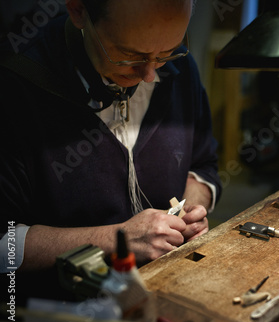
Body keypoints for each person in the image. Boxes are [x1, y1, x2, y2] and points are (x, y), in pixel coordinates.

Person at [0, 0, 221, 304]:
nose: (149, 74)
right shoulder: (16, 88)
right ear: (79, 11)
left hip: (160, 295)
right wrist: (116, 239)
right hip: (59, 310)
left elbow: (204, 164)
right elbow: (3, 244)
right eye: (130, 55)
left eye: (167, 51)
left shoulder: (178, 68)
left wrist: (192, 207)